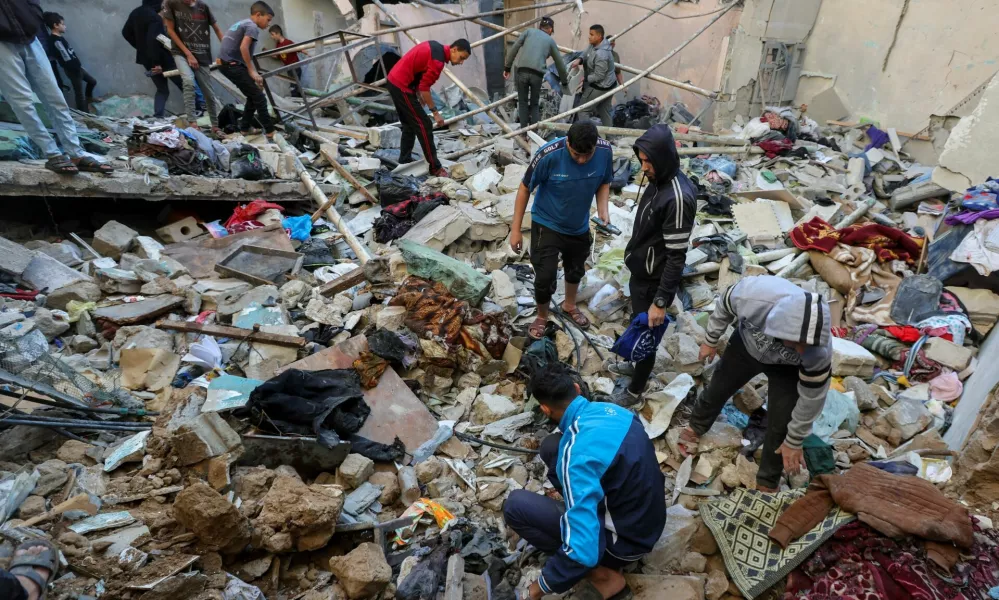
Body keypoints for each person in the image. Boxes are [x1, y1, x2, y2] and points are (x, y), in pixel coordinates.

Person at [503, 361, 666, 600]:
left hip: (625, 544)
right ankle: (584, 509)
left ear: (545, 410)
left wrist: (538, 589)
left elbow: (583, 551)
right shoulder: (617, 413)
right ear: (577, 389)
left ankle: (604, 577)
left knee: (515, 506)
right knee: (551, 447)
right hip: (648, 522)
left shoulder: (576, 457)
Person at [679, 275, 832, 492]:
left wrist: (795, 440)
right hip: (746, 347)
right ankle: (695, 428)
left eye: (806, 346)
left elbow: (812, 398)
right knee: (718, 388)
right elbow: (724, 304)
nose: (800, 350)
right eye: (796, 343)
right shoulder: (754, 297)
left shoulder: (818, 351)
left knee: (781, 422)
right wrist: (711, 340)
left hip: (788, 369)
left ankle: (767, 482)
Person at [608, 124, 696, 407]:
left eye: (649, 161)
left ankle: (634, 391)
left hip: (653, 282)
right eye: (641, 160)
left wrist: (660, 300)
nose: (644, 167)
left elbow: (676, 257)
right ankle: (635, 369)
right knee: (637, 323)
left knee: (646, 335)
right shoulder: (658, 182)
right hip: (641, 274)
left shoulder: (678, 197)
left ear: (664, 158)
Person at [509, 121, 613, 339]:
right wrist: (515, 230)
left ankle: (569, 305)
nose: (582, 160)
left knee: (575, 269)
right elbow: (525, 187)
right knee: (545, 275)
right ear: (567, 143)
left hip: (578, 225)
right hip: (547, 223)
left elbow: (605, 181)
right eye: (576, 155)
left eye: (587, 155)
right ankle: (541, 315)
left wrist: (603, 209)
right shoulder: (549, 155)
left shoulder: (604, 151)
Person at [0, 0, 113, 175]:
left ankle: (76, 153)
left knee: (55, 98)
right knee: (22, 102)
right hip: (2, 44)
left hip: (30, 38)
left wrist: (32, 17)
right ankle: (52, 154)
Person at [386, 38, 471, 177]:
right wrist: (435, 112)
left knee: (409, 124)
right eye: (461, 58)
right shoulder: (438, 62)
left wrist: (417, 92)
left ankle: (404, 160)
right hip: (402, 85)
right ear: (454, 49)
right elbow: (425, 88)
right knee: (424, 124)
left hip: (394, 80)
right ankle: (435, 167)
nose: (461, 62)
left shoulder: (435, 46)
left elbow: (419, 68)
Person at [122, 0, 207, 118]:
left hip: (147, 60)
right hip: (162, 60)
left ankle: (158, 116)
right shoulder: (154, 17)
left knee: (162, 89)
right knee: (185, 83)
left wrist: (141, 48)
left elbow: (125, 33)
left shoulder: (135, 13)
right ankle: (199, 109)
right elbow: (153, 40)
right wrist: (157, 63)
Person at [162, 0, 223, 130]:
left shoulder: (204, 7)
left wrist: (226, 52)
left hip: (202, 53)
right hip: (181, 52)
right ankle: (192, 123)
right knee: (188, 81)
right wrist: (188, 54)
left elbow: (217, 29)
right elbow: (170, 31)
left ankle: (215, 126)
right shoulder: (171, 4)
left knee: (208, 91)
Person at [218, 1, 275, 135]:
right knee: (260, 98)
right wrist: (252, 71)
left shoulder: (243, 23)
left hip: (228, 64)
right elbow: (243, 48)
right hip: (232, 65)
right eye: (268, 20)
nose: (269, 24)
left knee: (253, 96)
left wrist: (251, 72)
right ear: (258, 15)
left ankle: (244, 128)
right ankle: (270, 131)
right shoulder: (252, 26)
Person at [503, 16, 568, 127]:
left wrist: (507, 67)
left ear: (540, 26)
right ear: (550, 29)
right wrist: (564, 81)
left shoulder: (528, 32)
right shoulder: (550, 41)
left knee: (522, 103)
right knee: (534, 104)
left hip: (521, 71)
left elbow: (514, 48)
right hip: (537, 75)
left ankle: (523, 134)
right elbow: (560, 64)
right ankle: (535, 134)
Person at [42, 12, 96, 111]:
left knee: (92, 82)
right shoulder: (55, 41)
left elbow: (70, 54)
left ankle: (89, 101)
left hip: (77, 68)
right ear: (56, 25)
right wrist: (75, 69)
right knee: (79, 94)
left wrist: (79, 67)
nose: (65, 26)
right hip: (73, 70)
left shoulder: (59, 38)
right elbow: (65, 57)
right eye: (62, 24)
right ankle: (85, 115)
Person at [573, 24, 615, 126]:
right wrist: (580, 59)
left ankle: (588, 136)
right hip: (609, 84)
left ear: (599, 36)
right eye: (589, 34)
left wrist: (585, 78)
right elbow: (585, 53)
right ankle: (609, 138)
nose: (589, 37)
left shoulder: (602, 54)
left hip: (601, 86)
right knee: (604, 111)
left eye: (592, 34)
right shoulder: (594, 44)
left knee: (583, 111)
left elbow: (599, 76)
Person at [268, 24, 303, 97]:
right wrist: (266, 52)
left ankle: (296, 104)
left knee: (293, 87)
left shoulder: (288, 42)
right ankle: (300, 101)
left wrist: (307, 53)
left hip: (295, 67)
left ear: (278, 33)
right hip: (289, 68)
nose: (272, 37)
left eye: (272, 34)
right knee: (295, 87)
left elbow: (298, 48)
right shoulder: (278, 45)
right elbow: (277, 56)